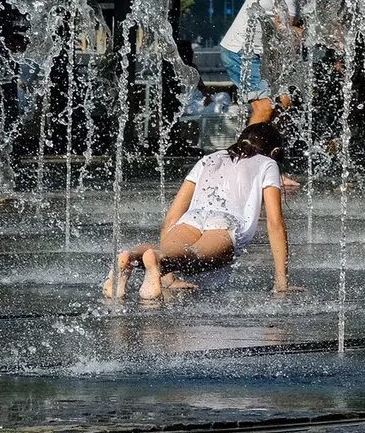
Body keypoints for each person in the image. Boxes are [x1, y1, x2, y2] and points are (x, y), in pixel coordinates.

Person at [102, 122, 299, 300]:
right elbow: (275, 224)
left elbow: (171, 219)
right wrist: (282, 283)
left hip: (190, 220)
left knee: (170, 253)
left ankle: (132, 256)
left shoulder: (209, 159)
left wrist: (168, 279)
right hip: (225, 224)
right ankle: (157, 260)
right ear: (275, 151)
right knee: (194, 257)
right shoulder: (268, 163)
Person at [218, 0, 336, 123]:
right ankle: (248, 150)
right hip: (242, 52)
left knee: (283, 103)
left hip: (262, 55)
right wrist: (323, 38)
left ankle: (269, 147)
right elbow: (285, 31)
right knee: (265, 107)